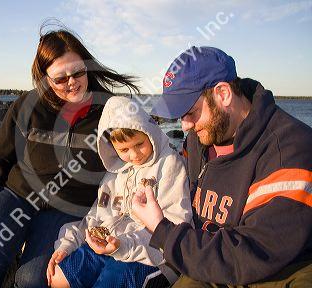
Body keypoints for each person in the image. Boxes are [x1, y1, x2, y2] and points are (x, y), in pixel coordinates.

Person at [0, 26, 140, 288]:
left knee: (32, 279)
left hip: (67, 209)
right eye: (60, 78)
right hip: (19, 196)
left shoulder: (109, 111)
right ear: (46, 77)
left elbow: (139, 153)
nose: (72, 82)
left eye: (78, 71)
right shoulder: (27, 107)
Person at [132, 46, 312, 287]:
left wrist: (162, 230)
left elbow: (250, 254)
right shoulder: (198, 139)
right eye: (179, 116)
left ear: (224, 93)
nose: (184, 126)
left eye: (190, 112)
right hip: (207, 255)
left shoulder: (289, 150)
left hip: (277, 270)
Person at [46, 96, 192, 288]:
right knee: (58, 278)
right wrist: (68, 244)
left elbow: (176, 223)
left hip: (152, 254)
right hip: (109, 244)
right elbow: (93, 218)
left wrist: (123, 246)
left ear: (150, 132)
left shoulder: (170, 164)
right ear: (111, 147)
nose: (134, 155)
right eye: (124, 149)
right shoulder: (114, 172)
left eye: (139, 144)